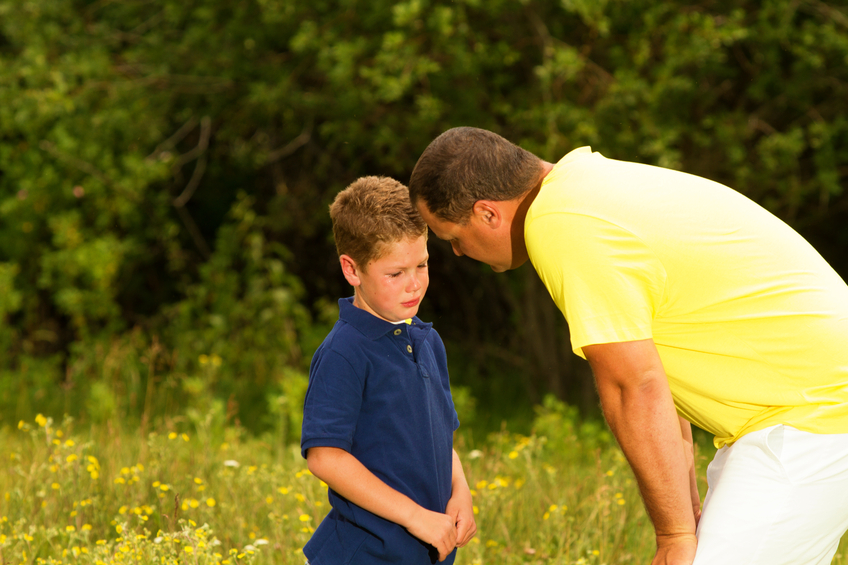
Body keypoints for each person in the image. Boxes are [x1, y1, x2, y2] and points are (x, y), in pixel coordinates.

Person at [408, 127, 848, 565]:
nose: (460, 253)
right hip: (797, 410)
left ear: (487, 213)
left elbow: (631, 386)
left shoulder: (562, 226)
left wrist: (674, 534)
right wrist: (683, 502)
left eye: (452, 237)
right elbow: (656, 367)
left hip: (814, 415)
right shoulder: (586, 186)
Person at [300, 176, 476, 565]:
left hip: (427, 550)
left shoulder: (428, 341)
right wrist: (415, 517)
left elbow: (440, 434)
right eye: (395, 274)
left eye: (422, 264)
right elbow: (324, 456)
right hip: (366, 554)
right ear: (352, 269)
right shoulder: (344, 352)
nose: (414, 284)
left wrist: (459, 491)